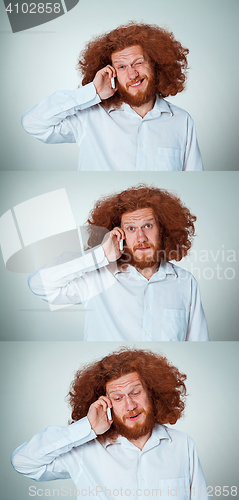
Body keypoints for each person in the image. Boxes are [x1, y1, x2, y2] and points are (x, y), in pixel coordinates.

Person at [11, 348, 209, 499]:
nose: (130, 405)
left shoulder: (183, 444)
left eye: (135, 393)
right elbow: (23, 462)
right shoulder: (84, 450)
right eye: (117, 398)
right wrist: (87, 426)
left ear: (152, 392)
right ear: (105, 403)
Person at [28, 185, 209, 341]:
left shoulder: (186, 282)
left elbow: (198, 342)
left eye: (147, 226)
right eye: (131, 228)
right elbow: (39, 284)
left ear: (163, 229)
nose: (141, 237)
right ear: (119, 234)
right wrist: (101, 254)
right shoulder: (97, 278)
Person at [21, 22, 203, 171]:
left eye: (138, 63)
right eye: (122, 67)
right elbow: (33, 123)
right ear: (110, 72)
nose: (132, 75)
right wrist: (93, 91)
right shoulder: (89, 117)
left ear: (155, 64)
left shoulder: (182, 121)